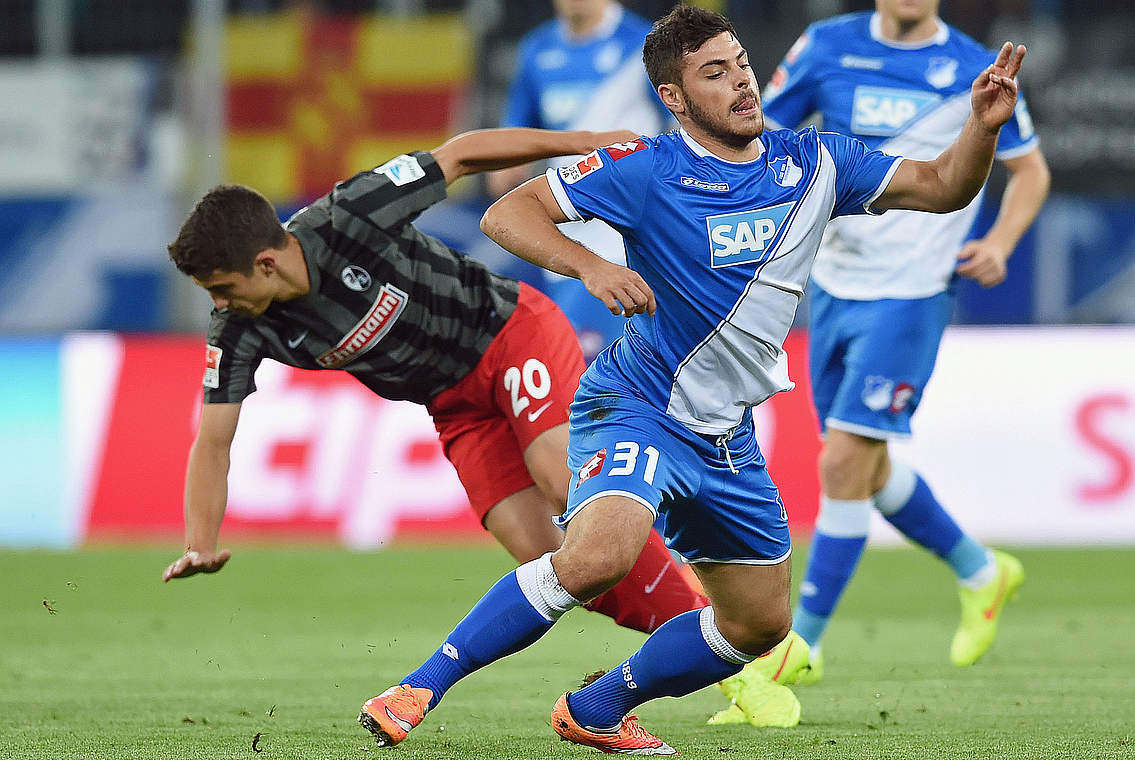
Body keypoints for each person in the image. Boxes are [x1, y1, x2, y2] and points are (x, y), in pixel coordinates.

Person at [356, 5, 1027, 754]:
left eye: (740, 64)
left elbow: (941, 186)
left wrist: (983, 129)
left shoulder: (814, 161)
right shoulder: (645, 167)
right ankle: (416, 687)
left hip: (726, 434)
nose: (741, 82)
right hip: (637, 406)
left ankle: (598, 706)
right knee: (598, 557)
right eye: (714, 73)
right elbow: (510, 212)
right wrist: (593, 264)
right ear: (674, 97)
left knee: (758, 625)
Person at [161, 127, 710, 645]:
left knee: (568, 484)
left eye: (222, 288)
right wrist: (200, 543)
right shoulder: (239, 328)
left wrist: (585, 144)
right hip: (456, 408)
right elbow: (213, 440)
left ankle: (724, 581)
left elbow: (461, 154)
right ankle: (719, 643)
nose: (219, 304)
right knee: (556, 562)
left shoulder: (348, 216)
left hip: (511, 335)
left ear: (265, 262)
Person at [709, 0, 1051, 708]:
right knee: (868, 465)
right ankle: (981, 570)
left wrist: (1002, 242)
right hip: (832, 285)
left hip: (913, 293)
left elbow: (1032, 172)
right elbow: (757, 130)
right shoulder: (826, 46)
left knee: (841, 463)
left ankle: (798, 647)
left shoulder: (968, 66)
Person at [488, 0, 671, 360]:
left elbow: (679, 122)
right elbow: (516, 127)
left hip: (632, 220)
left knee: (628, 352)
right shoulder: (537, 50)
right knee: (578, 356)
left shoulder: (644, 43)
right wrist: (503, 165)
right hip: (570, 222)